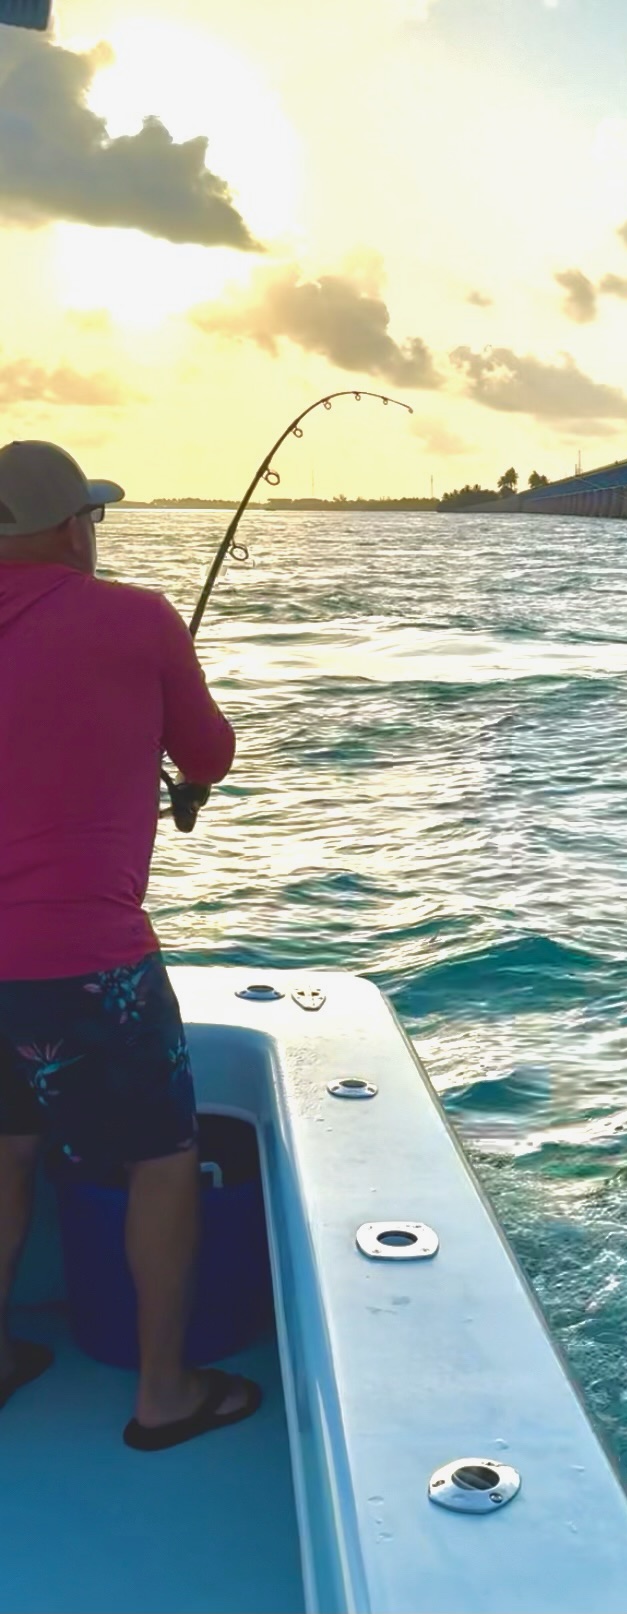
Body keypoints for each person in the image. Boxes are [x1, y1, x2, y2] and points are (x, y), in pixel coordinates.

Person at [0, 439, 260, 1451]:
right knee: (162, 1158)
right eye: (92, 520)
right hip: (87, 967)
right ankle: (164, 1395)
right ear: (71, 527)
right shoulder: (136, 619)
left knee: (5, 1150)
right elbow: (210, 755)